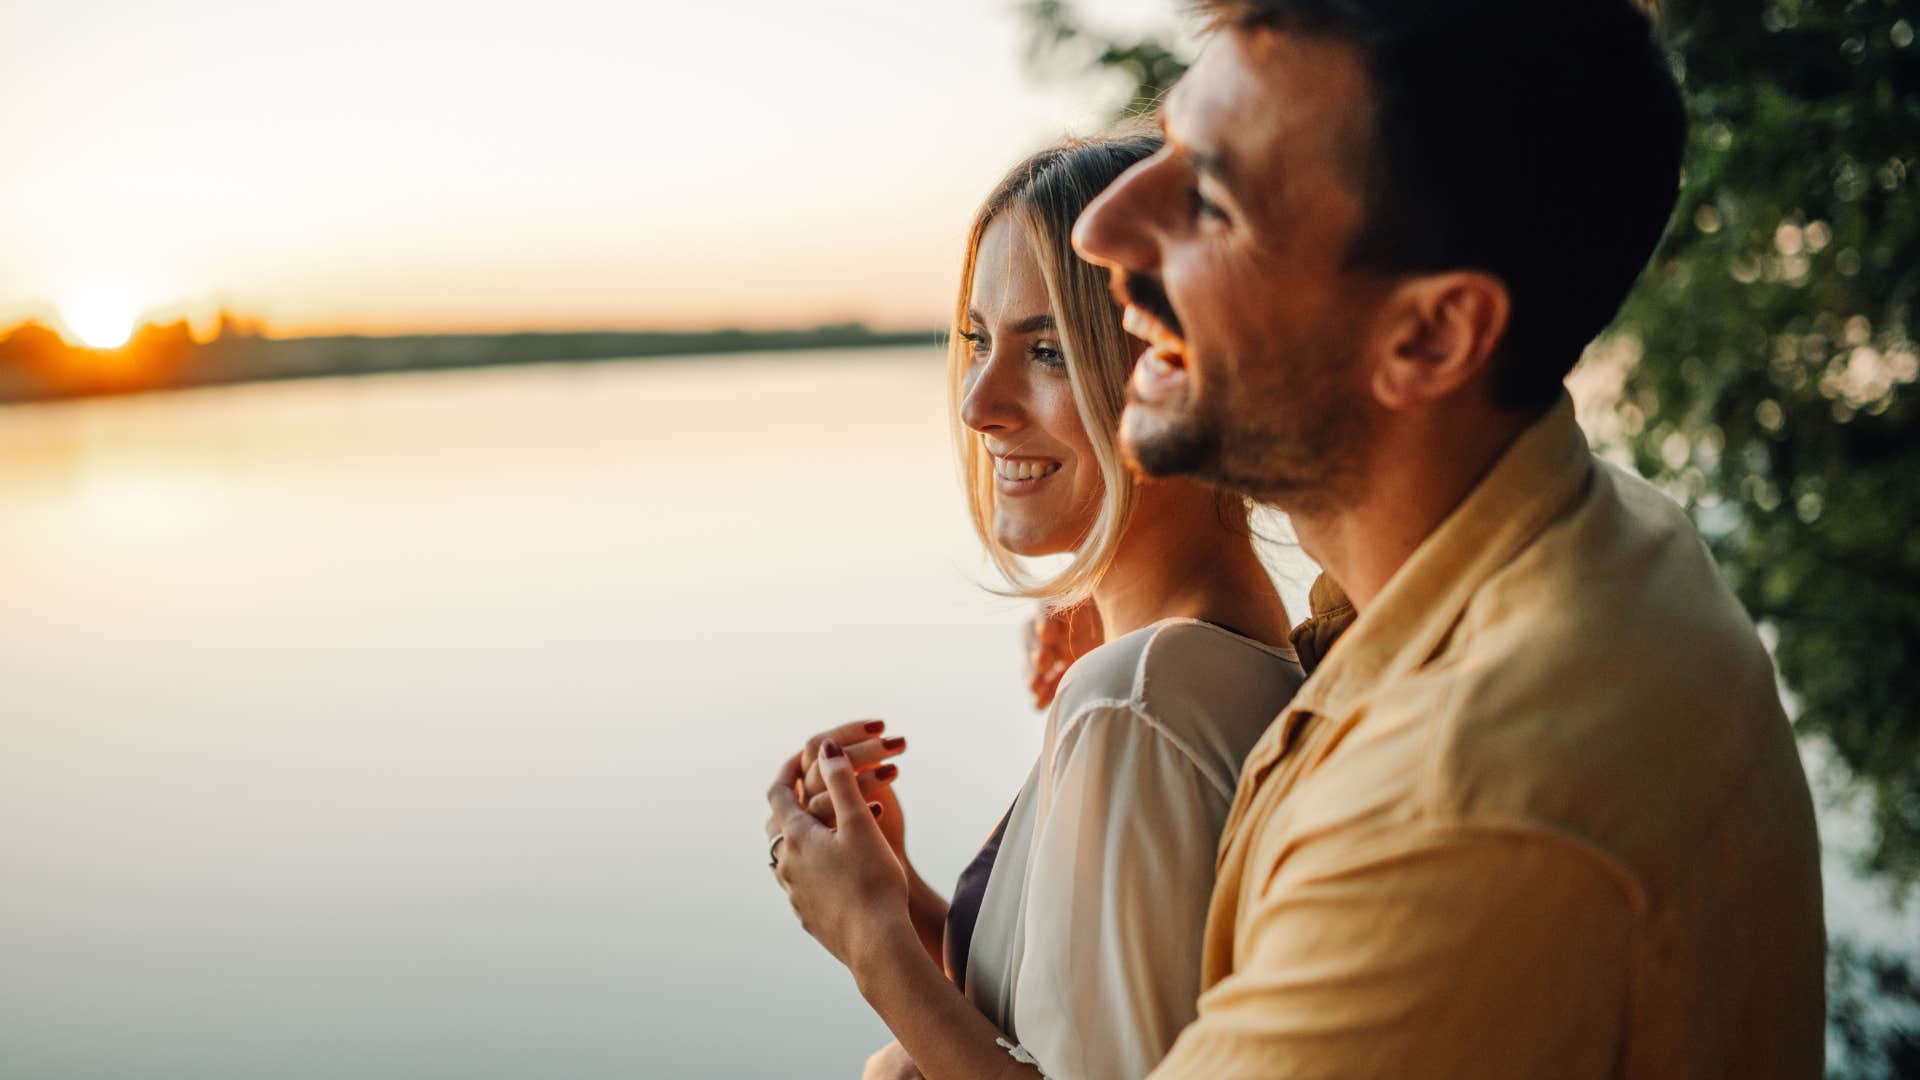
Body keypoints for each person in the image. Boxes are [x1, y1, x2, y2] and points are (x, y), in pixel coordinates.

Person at [1068, 2, 1826, 1077]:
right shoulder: (1593, 533)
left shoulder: (1465, 815)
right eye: (1171, 142)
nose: (1102, 227)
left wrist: (890, 988)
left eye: (1212, 200)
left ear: (1431, 336)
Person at [763, 132, 1307, 1080]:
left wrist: (869, 944)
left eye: (1048, 349)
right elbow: (1049, 1018)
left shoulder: (1141, 699)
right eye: (978, 340)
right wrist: (903, 900)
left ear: (1176, 371)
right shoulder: (1193, 665)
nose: (979, 403)